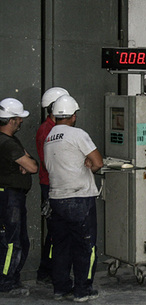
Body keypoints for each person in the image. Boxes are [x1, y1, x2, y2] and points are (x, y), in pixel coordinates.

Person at [44, 95, 103, 302]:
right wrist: (90, 164)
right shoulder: (77, 134)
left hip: (56, 198)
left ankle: (61, 288)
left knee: (61, 246)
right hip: (79, 198)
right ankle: (83, 290)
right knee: (86, 246)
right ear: (74, 115)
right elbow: (98, 162)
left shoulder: (50, 136)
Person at [0, 98, 39, 295]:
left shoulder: (10, 141)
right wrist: (25, 163)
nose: (21, 122)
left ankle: (10, 279)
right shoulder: (8, 143)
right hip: (10, 197)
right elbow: (32, 166)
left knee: (17, 240)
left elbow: (29, 162)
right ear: (11, 120)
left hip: (10, 196)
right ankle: (7, 282)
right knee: (12, 241)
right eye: (18, 118)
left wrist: (25, 162)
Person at [35, 87, 69, 285]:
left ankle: (47, 270)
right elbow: (50, 161)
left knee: (56, 231)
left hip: (53, 182)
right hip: (53, 184)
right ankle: (49, 271)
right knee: (57, 231)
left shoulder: (50, 129)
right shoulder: (48, 130)